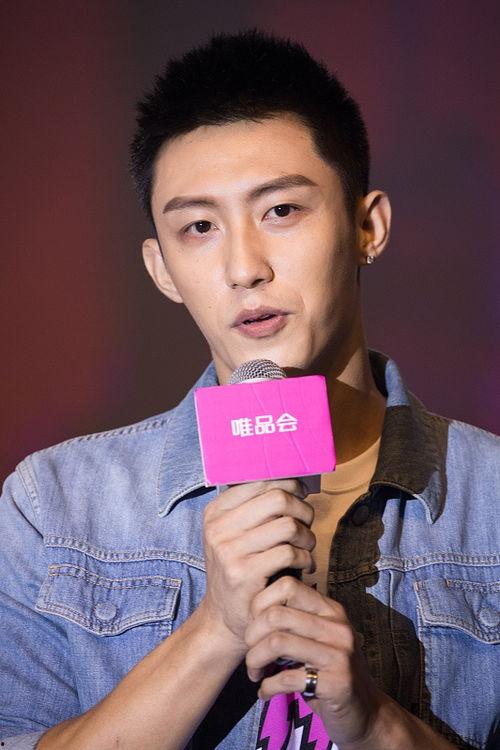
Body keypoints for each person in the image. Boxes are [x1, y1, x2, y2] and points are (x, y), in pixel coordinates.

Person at [0, 29, 499, 750]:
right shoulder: (55, 507)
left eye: (281, 211)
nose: (244, 268)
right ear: (162, 269)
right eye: (200, 227)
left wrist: (377, 724)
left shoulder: (489, 502)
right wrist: (215, 630)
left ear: (367, 227)